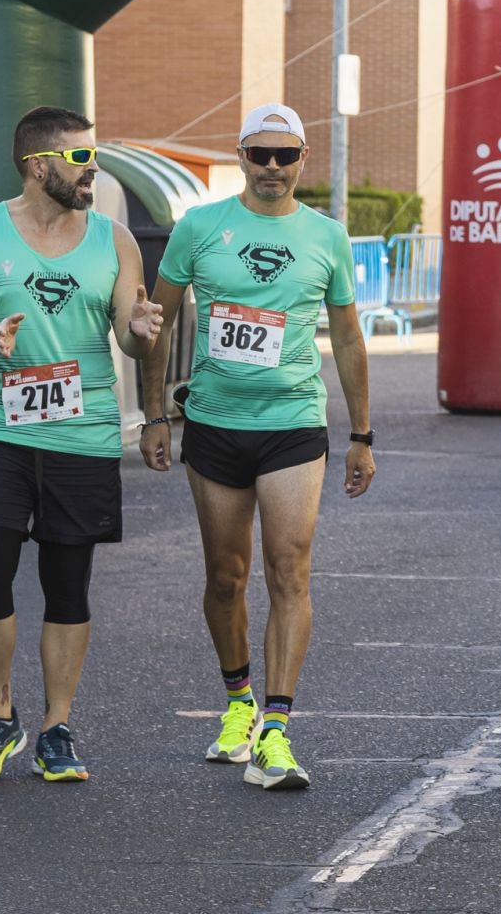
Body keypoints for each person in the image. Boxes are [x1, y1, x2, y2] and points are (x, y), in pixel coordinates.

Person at [140, 103, 375, 792]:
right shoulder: (199, 227)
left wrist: (361, 432)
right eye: (260, 154)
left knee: (290, 568)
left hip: (293, 423)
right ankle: (239, 700)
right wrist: (156, 414)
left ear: (303, 158)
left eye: (285, 155)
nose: (273, 167)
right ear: (241, 156)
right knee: (225, 576)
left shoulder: (327, 236)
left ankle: (277, 726)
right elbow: (159, 320)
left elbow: (351, 338)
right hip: (214, 423)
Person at [0, 106, 164, 783]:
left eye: (92, 156)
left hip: (82, 430)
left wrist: (138, 326)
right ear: (39, 165)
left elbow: (127, 334)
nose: (90, 168)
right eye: (79, 157)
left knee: (67, 585)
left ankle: (56, 727)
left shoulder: (116, 239)